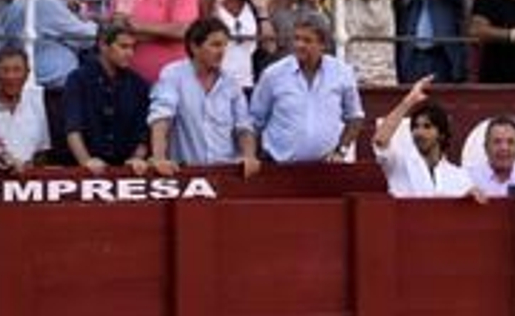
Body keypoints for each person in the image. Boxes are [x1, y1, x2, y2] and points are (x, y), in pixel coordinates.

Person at [148, 18, 261, 176]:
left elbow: (244, 126)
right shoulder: (173, 74)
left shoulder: (231, 83)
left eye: (224, 45)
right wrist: (159, 158)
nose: (222, 52)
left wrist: (249, 156)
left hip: (227, 173)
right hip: (187, 173)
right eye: (215, 45)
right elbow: (161, 118)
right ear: (195, 47)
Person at [250, 12, 366, 164]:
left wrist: (341, 150)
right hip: (279, 168)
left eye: (307, 40)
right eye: (296, 39)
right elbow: (254, 121)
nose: (299, 45)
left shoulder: (342, 72)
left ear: (323, 44)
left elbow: (355, 117)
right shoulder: (273, 74)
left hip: (326, 169)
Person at [372, 76, 482, 199]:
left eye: (427, 127)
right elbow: (380, 140)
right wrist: (408, 101)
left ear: (441, 134)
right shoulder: (400, 164)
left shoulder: (459, 175)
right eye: (415, 127)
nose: (419, 132)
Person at [63, 25, 152, 172]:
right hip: (84, 169)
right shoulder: (78, 79)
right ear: (103, 45)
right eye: (123, 47)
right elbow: (73, 128)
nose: (130, 53)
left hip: (127, 169)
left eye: (132, 47)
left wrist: (137, 158)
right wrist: (86, 161)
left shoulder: (139, 84)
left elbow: (143, 133)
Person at [468, 115, 515, 196]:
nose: (504, 148)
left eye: (510, 142)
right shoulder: (469, 180)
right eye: (497, 141)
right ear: (486, 147)